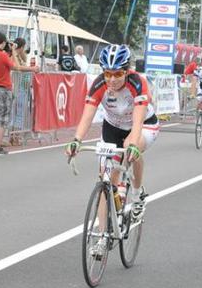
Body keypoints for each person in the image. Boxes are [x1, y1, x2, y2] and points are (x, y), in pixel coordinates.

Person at [64, 45, 158, 255]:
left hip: (143, 124)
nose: (112, 79)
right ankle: (102, 238)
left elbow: (137, 122)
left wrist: (133, 144)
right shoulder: (99, 84)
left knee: (131, 147)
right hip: (113, 127)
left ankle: (137, 194)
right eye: (107, 73)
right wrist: (76, 140)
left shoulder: (137, 83)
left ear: (127, 71)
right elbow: (87, 116)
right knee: (106, 179)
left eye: (117, 74)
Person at [0, 32, 38, 154]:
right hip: (4, 89)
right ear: (4, 42)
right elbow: (17, 67)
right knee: (2, 119)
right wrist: (13, 51)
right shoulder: (3, 55)